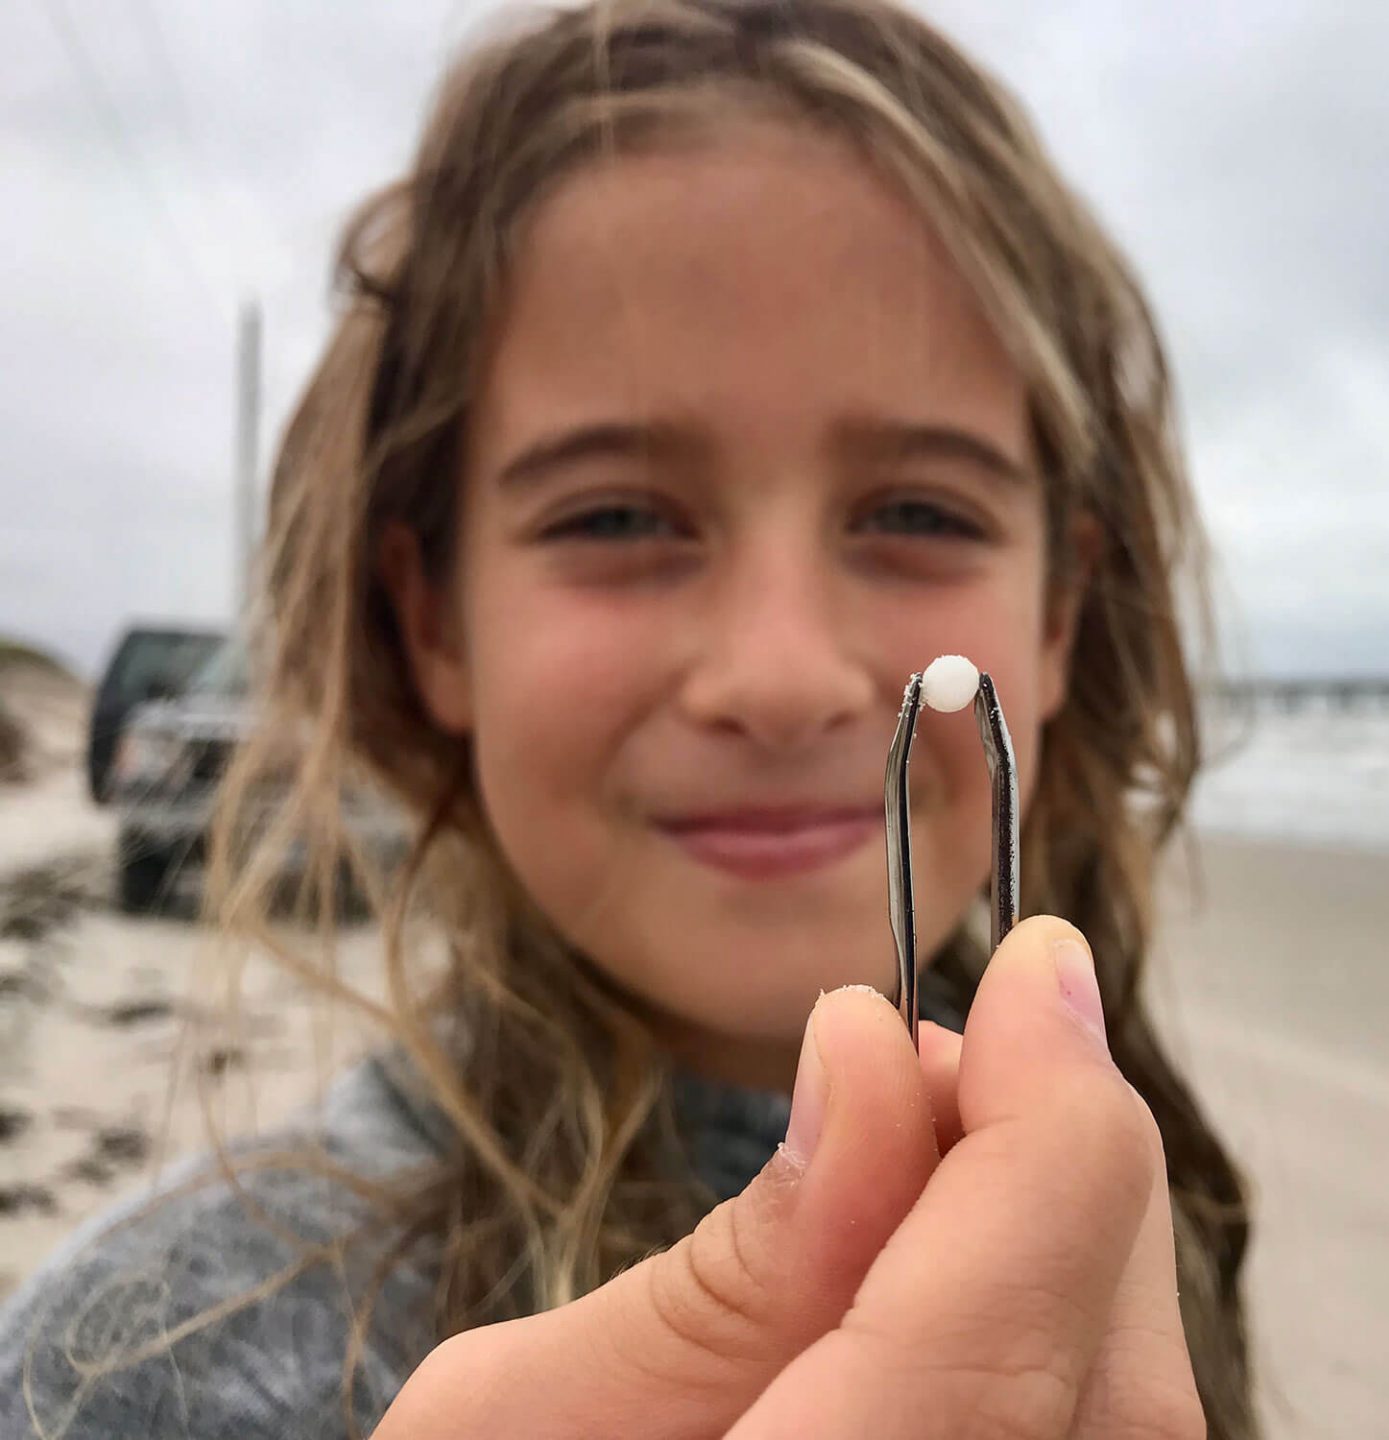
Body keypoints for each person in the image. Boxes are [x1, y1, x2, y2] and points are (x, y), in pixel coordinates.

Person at [0, 1, 1256, 1434]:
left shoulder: (1150, 1228)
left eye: (918, 512)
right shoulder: (134, 1376)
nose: (781, 678)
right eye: (616, 516)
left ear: (1059, 612)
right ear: (432, 619)